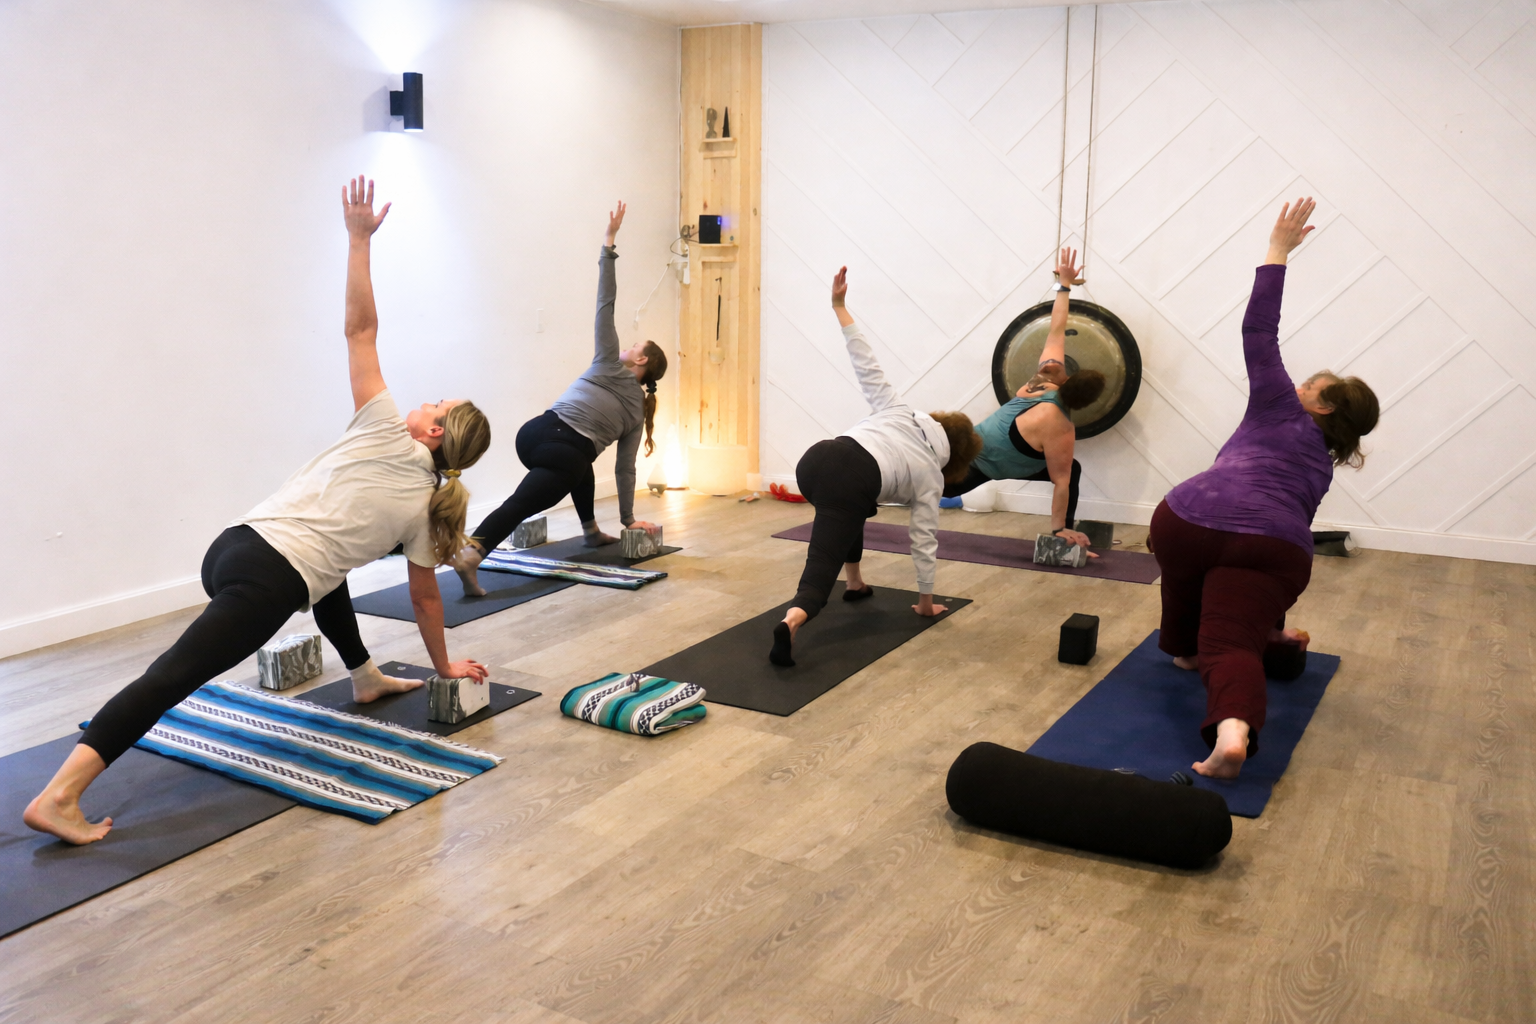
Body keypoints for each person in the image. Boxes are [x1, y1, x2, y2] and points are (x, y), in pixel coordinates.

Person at [23, 177, 494, 845]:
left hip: (233, 548)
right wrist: (443, 666)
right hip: (267, 580)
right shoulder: (425, 508)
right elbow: (424, 600)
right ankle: (60, 795)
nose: (424, 400)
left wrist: (358, 241)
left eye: (435, 404)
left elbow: (360, 329)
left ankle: (365, 678)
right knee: (173, 677)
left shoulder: (386, 427)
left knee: (329, 568)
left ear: (434, 432)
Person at [1150, 197, 1379, 780]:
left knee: (1184, 581)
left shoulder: (1278, 403)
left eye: (1309, 387)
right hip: (1269, 544)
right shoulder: (1323, 464)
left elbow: (1259, 328)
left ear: (1322, 406)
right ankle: (1231, 733)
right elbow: (1283, 544)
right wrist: (1269, 624)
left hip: (1183, 520)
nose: (1297, 386)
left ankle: (1185, 649)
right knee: (1232, 642)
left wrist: (1278, 249)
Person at [770, 267, 984, 667]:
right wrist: (925, 602)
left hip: (816, 458)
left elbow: (865, 363)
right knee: (822, 561)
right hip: (848, 480)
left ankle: (855, 583)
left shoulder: (898, 409)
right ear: (956, 457)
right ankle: (794, 618)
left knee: (854, 510)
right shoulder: (931, 475)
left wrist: (839, 306)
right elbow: (924, 539)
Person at [452, 202, 665, 595]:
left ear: (641, 361)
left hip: (534, 434)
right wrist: (628, 519)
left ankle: (590, 532)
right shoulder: (636, 410)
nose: (628, 346)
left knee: (582, 462)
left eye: (635, 345)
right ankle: (472, 554)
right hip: (562, 451)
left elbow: (605, 304)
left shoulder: (608, 362)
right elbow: (625, 469)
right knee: (527, 498)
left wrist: (609, 244)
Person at [944, 246, 1106, 553]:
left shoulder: (1041, 382)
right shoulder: (1063, 429)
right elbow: (1061, 483)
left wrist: (1064, 285)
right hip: (977, 462)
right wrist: (1058, 528)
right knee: (1069, 471)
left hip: (974, 455)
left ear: (1068, 379)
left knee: (933, 488)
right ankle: (1063, 531)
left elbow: (1056, 329)